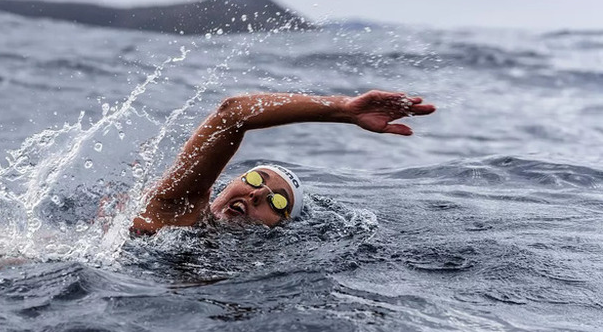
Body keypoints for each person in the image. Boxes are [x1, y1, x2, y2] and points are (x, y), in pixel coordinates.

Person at [132, 90, 435, 234]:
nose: (259, 193)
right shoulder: (175, 210)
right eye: (255, 178)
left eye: (278, 202)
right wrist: (343, 110)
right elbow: (233, 114)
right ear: (226, 186)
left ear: (281, 226)